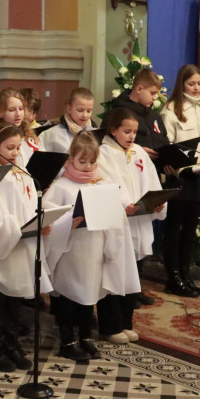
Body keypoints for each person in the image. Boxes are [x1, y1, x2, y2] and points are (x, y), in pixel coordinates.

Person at [43, 132, 139, 362]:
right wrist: (67, 222)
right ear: (70, 159)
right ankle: (68, 340)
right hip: (70, 250)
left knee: (89, 294)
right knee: (68, 295)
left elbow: (115, 214)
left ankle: (86, 337)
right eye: (82, 162)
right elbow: (48, 217)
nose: (87, 167)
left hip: (95, 247)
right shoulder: (61, 186)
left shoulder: (103, 183)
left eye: (92, 162)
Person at [0, 121, 48, 371]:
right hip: (1, 244)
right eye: (10, 147)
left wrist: (37, 222)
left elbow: (26, 202)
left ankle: (12, 345)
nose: (15, 153)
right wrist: (15, 227)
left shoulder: (19, 170)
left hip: (20, 243)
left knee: (14, 299)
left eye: (18, 148)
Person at [97, 106, 166, 342]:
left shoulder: (138, 152)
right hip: (118, 224)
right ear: (114, 129)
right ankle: (109, 325)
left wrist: (158, 202)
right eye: (127, 131)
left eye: (134, 132)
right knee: (114, 273)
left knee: (133, 275)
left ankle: (126, 321)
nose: (131, 137)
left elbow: (152, 181)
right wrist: (124, 203)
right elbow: (106, 184)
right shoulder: (103, 152)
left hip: (139, 223)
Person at [160, 64, 200, 297]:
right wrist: (176, 165)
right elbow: (167, 144)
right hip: (181, 176)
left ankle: (185, 275)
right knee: (175, 228)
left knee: (190, 228)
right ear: (182, 84)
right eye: (191, 84)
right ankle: (173, 277)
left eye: (199, 83)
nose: (196, 88)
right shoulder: (171, 110)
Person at [38, 87, 96, 153]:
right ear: (69, 109)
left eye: (89, 111)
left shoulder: (96, 134)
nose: (85, 115)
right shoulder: (51, 134)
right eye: (80, 110)